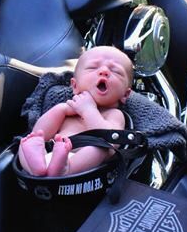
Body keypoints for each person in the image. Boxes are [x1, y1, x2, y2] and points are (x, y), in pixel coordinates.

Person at [18, 46, 134, 177]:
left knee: (102, 147)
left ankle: (66, 169)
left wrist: (88, 110)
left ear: (125, 94)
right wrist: (62, 109)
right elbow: (41, 131)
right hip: (51, 156)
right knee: (27, 141)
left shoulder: (114, 114)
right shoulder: (67, 110)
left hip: (80, 167)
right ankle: (36, 166)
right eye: (93, 68)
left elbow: (110, 139)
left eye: (116, 71)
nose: (104, 71)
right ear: (74, 85)